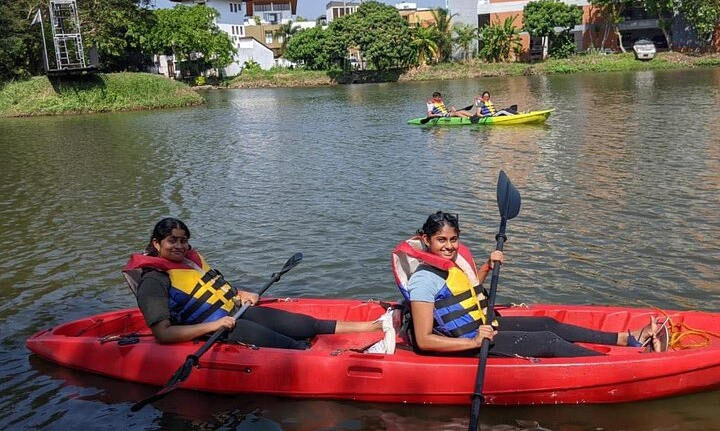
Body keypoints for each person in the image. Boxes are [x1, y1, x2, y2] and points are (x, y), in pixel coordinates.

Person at [391, 211, 669, 358]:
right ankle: (622, 363)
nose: (449, 246)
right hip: (466, 344)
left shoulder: (451, 264)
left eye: (453, 240)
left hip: (480, 327)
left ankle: (626, 338)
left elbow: (468, 291)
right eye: (442, 240)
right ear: (426, 240)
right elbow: (426, 341)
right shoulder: (423, 281)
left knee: (549, 324)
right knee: (547, 341)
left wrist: (487, 266)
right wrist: (475, 341)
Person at [124, 217, 389, 350]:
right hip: (214, 330)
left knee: (305, 325)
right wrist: (214, 324)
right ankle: (355, 354)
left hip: (236, 312)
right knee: (291, 345)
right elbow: (163, 334)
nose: (179, 246)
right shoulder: (153, 282)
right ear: (157, 244)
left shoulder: (190, 262)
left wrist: (240, 293)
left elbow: (214, 288)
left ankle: (375, 326)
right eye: (172, 241)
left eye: (183, 240)